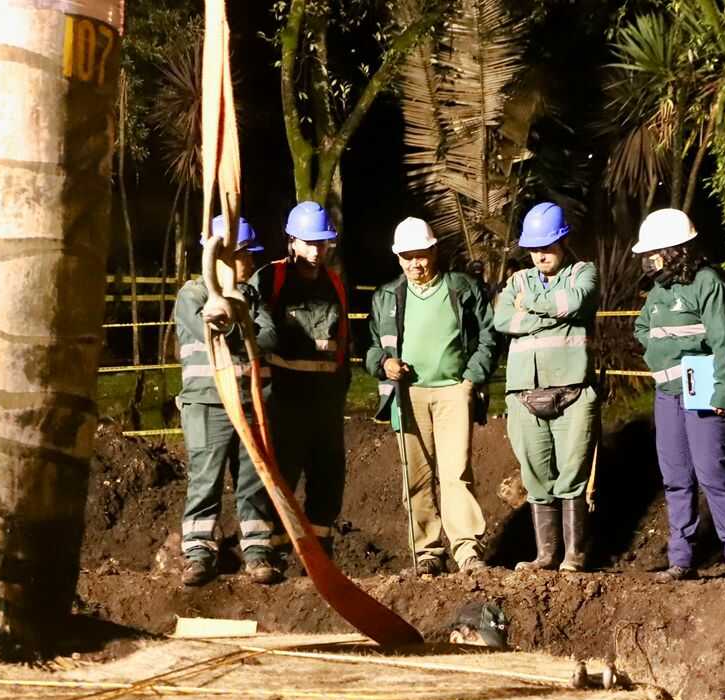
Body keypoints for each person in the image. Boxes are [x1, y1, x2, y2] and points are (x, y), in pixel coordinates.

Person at [366, 217, 499, 575]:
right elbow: (372, 347)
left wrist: (472, 378)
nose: (415, 264)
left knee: (457, 472)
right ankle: (427, 550)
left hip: (454, 391)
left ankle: (466, 549)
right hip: (408, 395)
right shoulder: (388, 297)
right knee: (417, 475)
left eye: (421, 255)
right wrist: (384, 363)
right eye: (407, 257)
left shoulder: (461, 288)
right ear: (398, 259)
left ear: (434, 251)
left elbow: (488, 335)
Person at [632, 208, 725, 581]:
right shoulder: (657, 292)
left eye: (653, 252)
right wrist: (659, 356)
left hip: (704, 392)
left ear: (675, 250)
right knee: (675, 477)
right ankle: (680, 560)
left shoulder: (708, 283)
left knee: (712, 475)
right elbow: (642, 328)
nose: (647, 260)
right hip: (667, 394)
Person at [173, 216, 280, 587]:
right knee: (206, 480)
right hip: (208, 404)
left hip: (249, 403)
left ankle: (257, 551)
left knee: (252, 480)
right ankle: (198, 553)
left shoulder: (250, 296)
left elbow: (268, 338)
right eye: (245, 254)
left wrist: (235, 321)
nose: (250, 262)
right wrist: (234, 323)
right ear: (222, 256)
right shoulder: (192, 295)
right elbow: (207, 334)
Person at [493, 202, 600, 572]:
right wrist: (550, 313)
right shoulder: (517, 281)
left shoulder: (583, 273)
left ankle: (574, 555)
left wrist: (531, 308)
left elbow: (573, 302)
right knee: (535, 474)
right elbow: (503, 318)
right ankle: (546, 554)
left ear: (563, 241)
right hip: (524, 394)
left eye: (547, 246)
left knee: (573, 473)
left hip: (572, 393)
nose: (540, 254)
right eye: (534, 248)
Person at [257, 201, 351, 558]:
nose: (316, 251)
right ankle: (274, 551)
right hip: (284, 401)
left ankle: (319, 553)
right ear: (292, 241)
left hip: (325, 403)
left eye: (322, 243)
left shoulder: (334, 285)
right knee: (282, 478)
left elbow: (342, 343)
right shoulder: (271, 279)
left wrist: (340, 388)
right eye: (309, 243)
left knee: (328, 478)